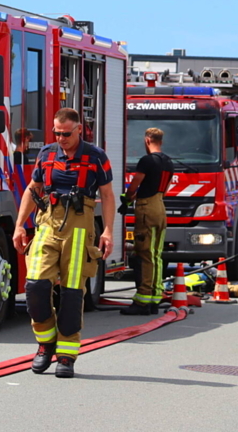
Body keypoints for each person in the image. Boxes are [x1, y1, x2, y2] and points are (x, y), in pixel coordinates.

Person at [13, 107, 116, 379]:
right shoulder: (46, 154)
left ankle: (67, 356)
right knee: (34, 286)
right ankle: (46, 344)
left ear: (79, 130)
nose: (61, 138)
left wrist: (107, 231)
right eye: (57, 133)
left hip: (81, 228)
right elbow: (31, 189)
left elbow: (106, 196)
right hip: (47, 224)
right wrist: (19, 225)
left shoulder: (96, 156)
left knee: (71, 294)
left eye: (66, 134)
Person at [120, 127, 173, 316]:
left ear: (148, 139)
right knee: (157, 254)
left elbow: (135, 184)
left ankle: (142, 299)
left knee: (144, 254)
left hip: (146, 209)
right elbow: (163, 187)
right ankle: (154, 297)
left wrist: (127, 198)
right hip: (160, 205)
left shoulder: (147, 161)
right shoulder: (168, 161)